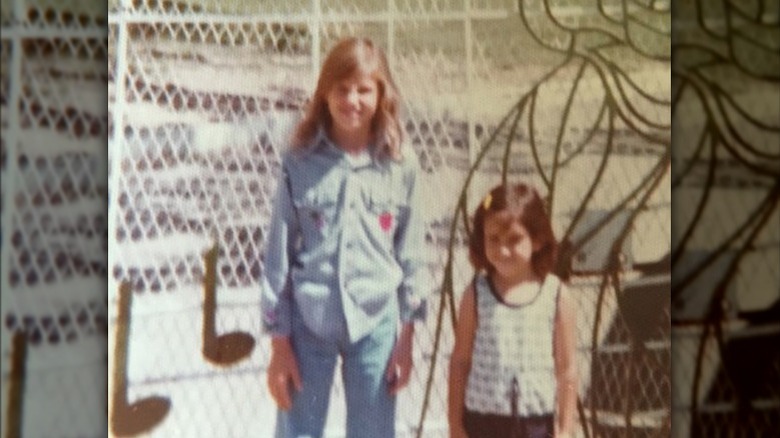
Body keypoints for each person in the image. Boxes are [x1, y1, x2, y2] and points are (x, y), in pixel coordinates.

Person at [259, 37, 429, 438]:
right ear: (325, 93)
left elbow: (413, 256)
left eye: (364, 89)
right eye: (342, 88)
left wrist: (406, 338)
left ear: (381, 94)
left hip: (376, 324)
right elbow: (278, 255)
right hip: (309, 321)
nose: (352, 100)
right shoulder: (299, 161)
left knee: (373, 431)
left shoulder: (401, 165)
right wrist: (279, 345)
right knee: (297, 429)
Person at [447, 183, 577, 438]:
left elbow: (566, 368)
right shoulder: (475, 294)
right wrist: (455, 424)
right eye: (493, 239)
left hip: (535, 424)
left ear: (537, 239)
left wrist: (566, 427)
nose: (503, 250)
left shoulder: (556, 295)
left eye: (514, 239)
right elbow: (460, 362)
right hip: (483, 421)